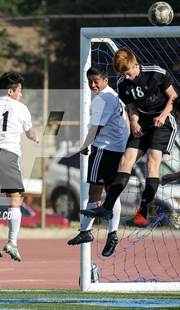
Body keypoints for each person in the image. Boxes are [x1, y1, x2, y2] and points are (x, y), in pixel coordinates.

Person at [81, 48, 178, 227]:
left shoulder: (156, 73)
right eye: (121, 74)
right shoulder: (123, 83)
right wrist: (134, 121)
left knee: (152, 161)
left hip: (163, 123)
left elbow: (173, 96)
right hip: (142, 123)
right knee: (125, 161)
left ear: (135, 65)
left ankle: (144, 210)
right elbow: (131, 106)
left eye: (127, 73)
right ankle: (107, 207)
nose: (125, 77)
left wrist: (163, 115)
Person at [0, 72, 39, 261]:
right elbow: (29, 132)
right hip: (8, 154)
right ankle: (12, 242)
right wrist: (35, 136)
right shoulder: (21, 108)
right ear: (11, 91)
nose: (21, 94)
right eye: (20, 91)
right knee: (15, 198)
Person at [67, 67, 129, 257]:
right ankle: (112, 234)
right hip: (117, 148)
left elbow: (96, 127)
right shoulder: (114, 96)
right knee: (111, 193)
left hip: (104, 149)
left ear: (105, 80)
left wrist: (85, 145)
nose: (93, 85)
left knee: (94, 191)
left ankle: (85, 231)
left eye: (96, 81)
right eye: (90, 81)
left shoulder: (103, 98)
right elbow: (124, 121)